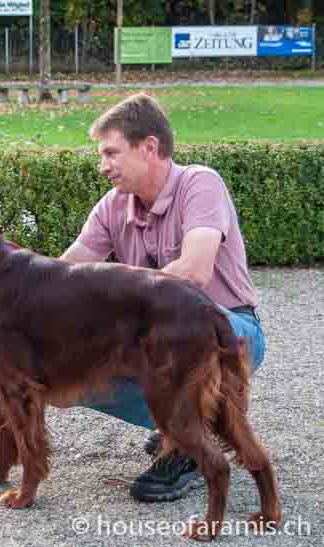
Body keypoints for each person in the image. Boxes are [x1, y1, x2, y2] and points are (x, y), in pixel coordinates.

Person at [61, 93, 265, 503]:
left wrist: (111, 300)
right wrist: (9, 283)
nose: (103, 166)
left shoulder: (200, 183)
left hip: (230, 330)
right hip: (157, 337)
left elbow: (193, 271)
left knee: (155, 340)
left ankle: (191, 437)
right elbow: (64, 275)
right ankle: (188, 426)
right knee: (66, 372)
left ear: (149, 147)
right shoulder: (113, 205)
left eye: (112, 153)